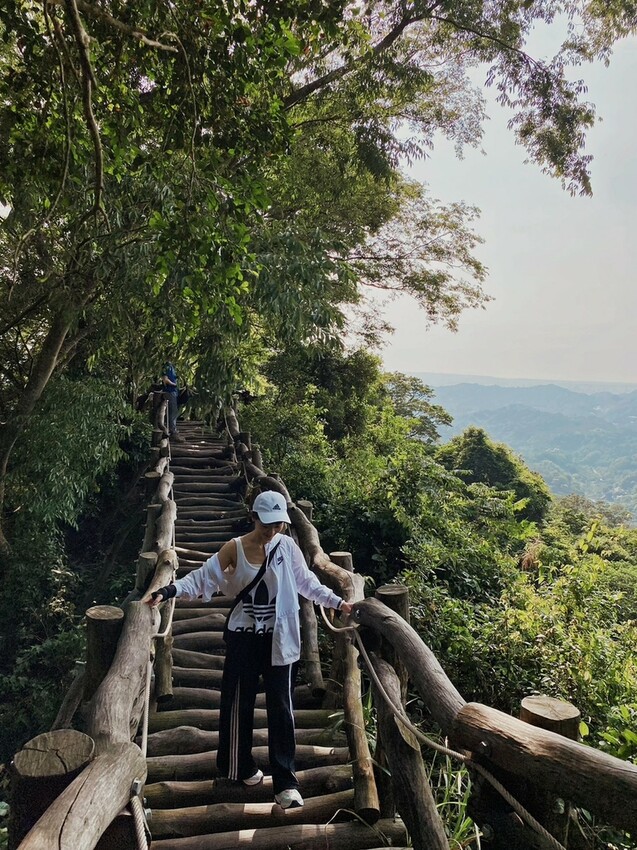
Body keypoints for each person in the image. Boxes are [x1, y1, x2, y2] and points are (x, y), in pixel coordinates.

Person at [145, 490, 353, 809]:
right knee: (237, 704)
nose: (272, 530)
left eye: (278, 524)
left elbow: (306, 583)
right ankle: (239, 768)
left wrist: (337, 602)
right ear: (254, 517)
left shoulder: (287, 547)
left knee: (281, 708)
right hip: (244, 637)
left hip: (280, 638)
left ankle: (286, 783)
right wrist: (170, 590)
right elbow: (203, 578)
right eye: (266, 524)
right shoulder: (235, 548)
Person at [161, 361, 181, 440]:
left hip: (173, 392)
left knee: (174, 411)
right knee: (172, 412)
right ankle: (172, 432)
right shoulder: (167, 367)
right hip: (169, 392)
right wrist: (174, 384)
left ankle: (171, 430)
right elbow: (165, 380)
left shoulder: (172, 367)